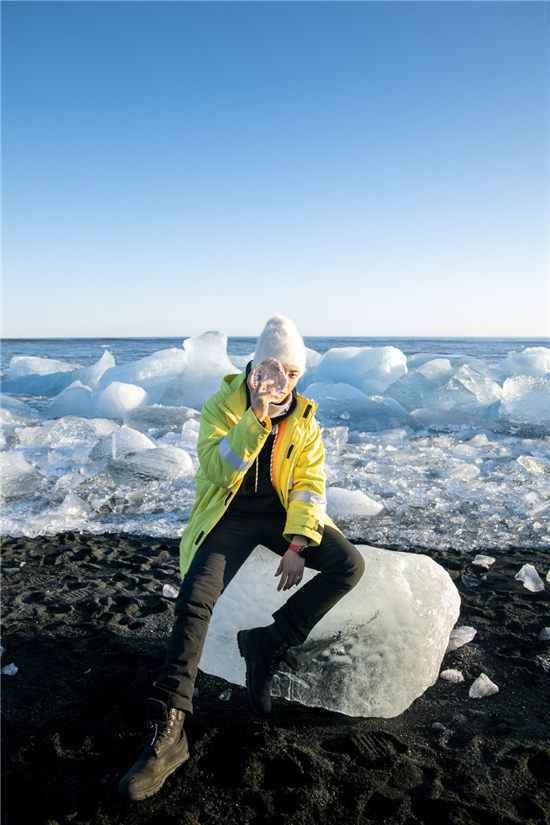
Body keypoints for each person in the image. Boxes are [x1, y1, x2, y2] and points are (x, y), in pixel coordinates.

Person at [118, 315, 366, 801]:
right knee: (194, 599)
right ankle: (170, 729)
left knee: (349, 566)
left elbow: (309, 486)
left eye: (293, 374)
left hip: (279, 517)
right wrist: (254, 416)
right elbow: (214, 470)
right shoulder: (222, 406)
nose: (283, 382)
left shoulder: (305, 420)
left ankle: (270, 641)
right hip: (227, 517)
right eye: (274, 370)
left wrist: (297, 544)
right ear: (254, 366)